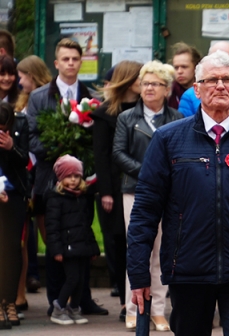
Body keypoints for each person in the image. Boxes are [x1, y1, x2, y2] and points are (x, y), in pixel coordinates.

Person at [127, 51, 229, 336]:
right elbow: (145, 212)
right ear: (196, 89)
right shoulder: (168, 139)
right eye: (212, 80)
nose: (220, 86)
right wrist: (139, 274)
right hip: (188, 269)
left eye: (228, 79)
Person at [26, 38, 107, 317]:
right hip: (52, 179)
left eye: (75, 58)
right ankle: (56, 299)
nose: (71, 63)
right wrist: (58, 148)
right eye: (66, 58)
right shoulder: (38, 97)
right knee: (56, 239)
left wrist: (81, 153)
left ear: (80, 62)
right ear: (56, 62)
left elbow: (99, 136)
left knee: (83, 236)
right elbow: (31, 138)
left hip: (83, 181)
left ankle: (83, 299)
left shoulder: (93, 96)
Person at [114, 60, 182, 331]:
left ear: (167, 89)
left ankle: (158, 311)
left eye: (155, 83)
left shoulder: (177, 119)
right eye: (145, 83)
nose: (149, 88)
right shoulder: (126, 118)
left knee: (162, 253)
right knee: (138, 251)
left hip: (168, 196)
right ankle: (133, 309)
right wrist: (148, 173)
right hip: (135, 191)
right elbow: (118, 153)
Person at [89, 61, 142, 320]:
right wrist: (106, 192)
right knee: (117, 243)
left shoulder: (147, 110)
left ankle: (143, 297)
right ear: (128, 79)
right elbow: (101, 155)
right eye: (140, 77)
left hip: (140, 184)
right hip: (113, 187)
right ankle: (124, 300)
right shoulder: (104, 114)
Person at [45, 155, 100, 325]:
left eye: (76, 176)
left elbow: (86, 225)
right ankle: (59, 308)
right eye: (69, 176)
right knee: (72, 279)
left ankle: (74, 308)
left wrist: (93, 247)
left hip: (81, 246)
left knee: (81, 280)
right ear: (61, 178)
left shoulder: (81, 197)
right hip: (67, 247)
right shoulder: (55, 198)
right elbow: (52, 227)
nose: (73, 180)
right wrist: (57, 250)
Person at [15, 55, 50, 298]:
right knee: (25, 231)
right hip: (25, 171)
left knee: (46, 226)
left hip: (42, 169)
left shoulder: (46, 98)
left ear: (31, 75)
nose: (18, 80)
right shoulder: (23, 100)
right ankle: (22, 287)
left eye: (21, 75)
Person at [178, 41, 229, 118]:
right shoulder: (189, 96)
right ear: (197, 89)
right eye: (216, 60)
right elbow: (184, 128)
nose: (220, 86)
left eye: (227, 61)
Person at [0, 102, 28, 328]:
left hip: (14, 196)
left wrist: (12, 147)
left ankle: (9, 301)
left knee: (11, 249)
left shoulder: (21, 122)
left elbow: (25, 161)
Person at [169, 42, 201, 110]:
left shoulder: (205, 90)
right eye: (176, 67)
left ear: (196, 67)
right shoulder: (168, 92)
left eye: (184, 67)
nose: (179, 71)